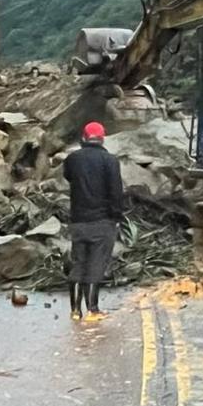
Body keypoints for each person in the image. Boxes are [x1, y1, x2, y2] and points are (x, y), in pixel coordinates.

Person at [62, 121, 125, 320]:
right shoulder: (110, 161)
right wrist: (116, 216)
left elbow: (68, 178)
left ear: (84, 137)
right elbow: (116, 192)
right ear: (102, 138)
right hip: (102, 221)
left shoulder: (72, 159)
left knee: (79, 262)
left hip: (78, 220)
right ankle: (93, 309)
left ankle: (74, 310)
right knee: (96, 264)